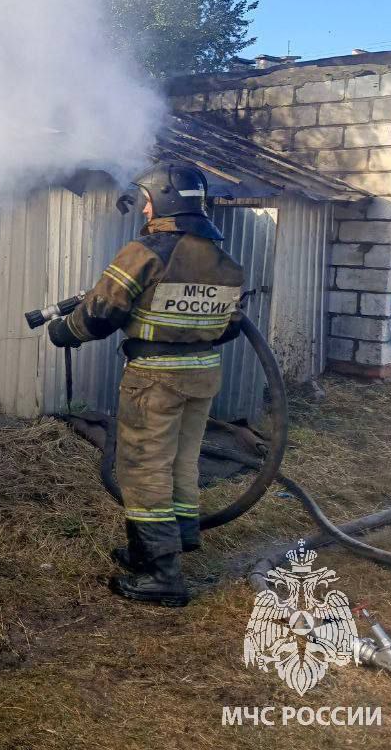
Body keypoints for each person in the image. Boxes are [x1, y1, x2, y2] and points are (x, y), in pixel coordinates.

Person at [47, 162, 244, 607]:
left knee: (143, 468)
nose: (145, 208)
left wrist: (64, 332)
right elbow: (231, 326)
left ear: (165, 200)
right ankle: (164, 546)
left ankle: (163, 575)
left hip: (155, 379)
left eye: (149, 200)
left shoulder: (146, 252)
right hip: (203, 375)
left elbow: (102, 312)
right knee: (181, 463)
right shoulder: (224, 261)